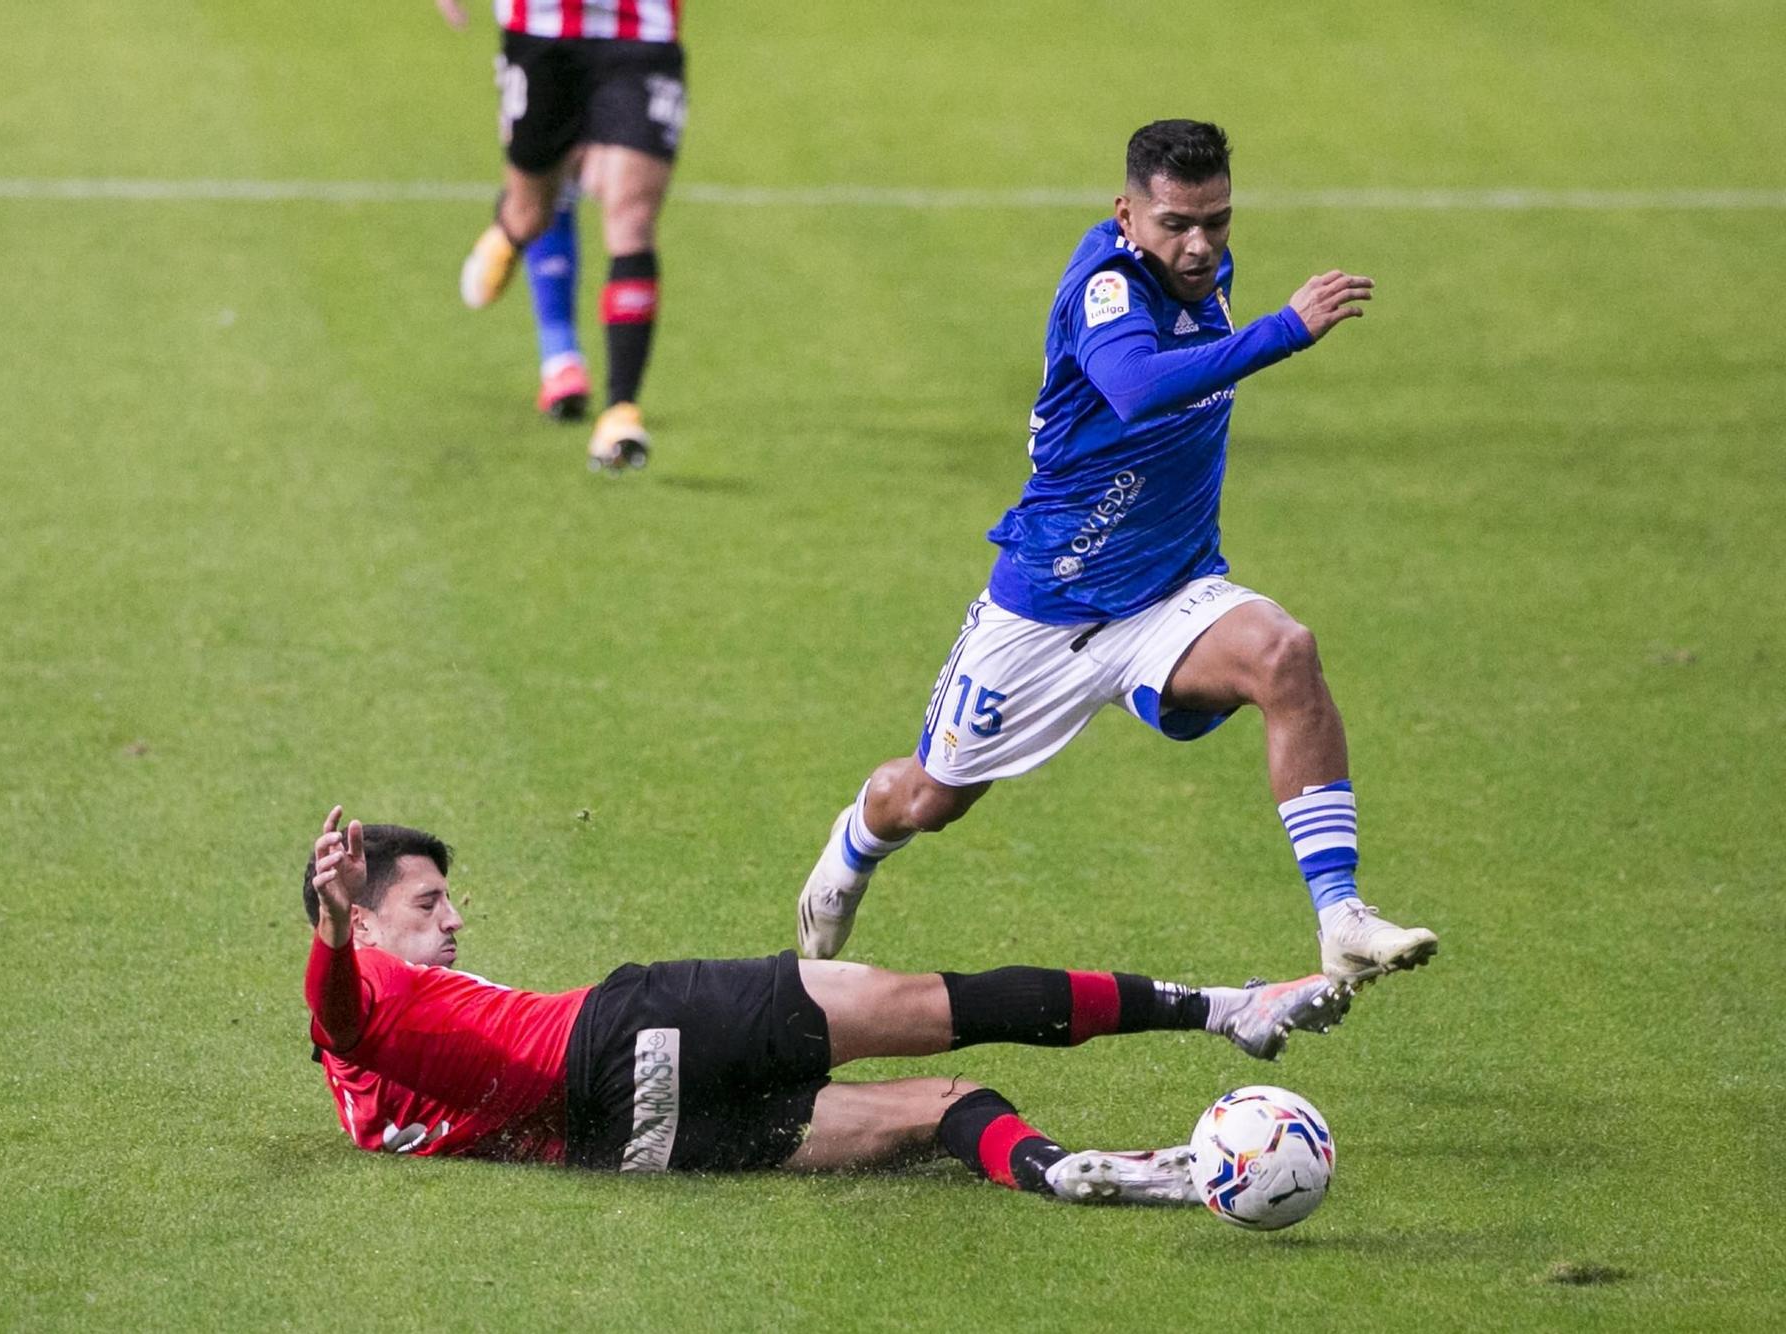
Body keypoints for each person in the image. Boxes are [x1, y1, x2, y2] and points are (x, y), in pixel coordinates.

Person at [795, 120, 1439, 988]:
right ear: (1127, 216)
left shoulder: (1206, 273)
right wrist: (1286, 328)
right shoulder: (1105, 288)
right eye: (1176, 223)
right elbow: (1136, 389)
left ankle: (1340, 916)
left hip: (1169, 597)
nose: (1200, 244)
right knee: (930, 799)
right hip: (1045, 610)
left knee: (1286, 652)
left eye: (1216, 220)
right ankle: (857, 838)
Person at [301, 807, 1351, 1200]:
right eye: (427, 901)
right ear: (359, 917)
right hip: (634, 1026)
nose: (451, 921)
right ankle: (1229, 1007)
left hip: (638, 1141)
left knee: (944, 1103)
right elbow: (344, 1013)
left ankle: (1065, 1168)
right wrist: (327, 930)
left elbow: (355, 1046)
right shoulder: (362, 990)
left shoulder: (366, 1104)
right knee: (947, 1005)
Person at [438, 0, 684, 471]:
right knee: (536, 205)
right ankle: (511, 232)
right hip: (542, 26)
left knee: (631, 214)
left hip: (643, 30)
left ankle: (620, 413)